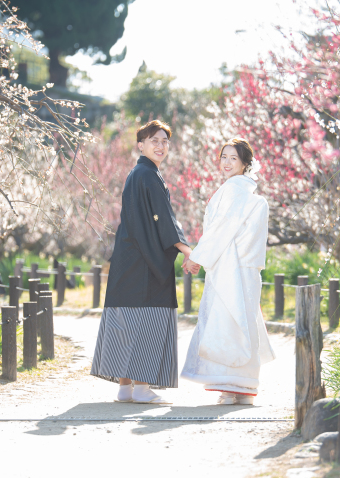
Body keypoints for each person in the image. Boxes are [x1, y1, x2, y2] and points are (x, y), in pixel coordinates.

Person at [91, 120, 193, 405]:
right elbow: (164, 219)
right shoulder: (147, 175)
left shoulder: (137, 173)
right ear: (141, 145)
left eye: (164, 142)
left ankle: (125, 388)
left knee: (126, 319)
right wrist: (186, 250)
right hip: (145, 261)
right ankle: (143, 387)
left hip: (128, 258)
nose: (160, 146)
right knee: (147, 318)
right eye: (154, 141)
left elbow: (158, 219)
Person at [181, 137, 275, 405]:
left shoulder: (233, 190)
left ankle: (229, 387)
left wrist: (196, 257)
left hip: (229, 268)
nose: (227, 162)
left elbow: (220, 230)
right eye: (224, 156)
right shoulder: (251, 194)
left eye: (234, 158)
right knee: (244, 321)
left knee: (227, 322)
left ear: (246, 163)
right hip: (247, 270)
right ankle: (244, 388)